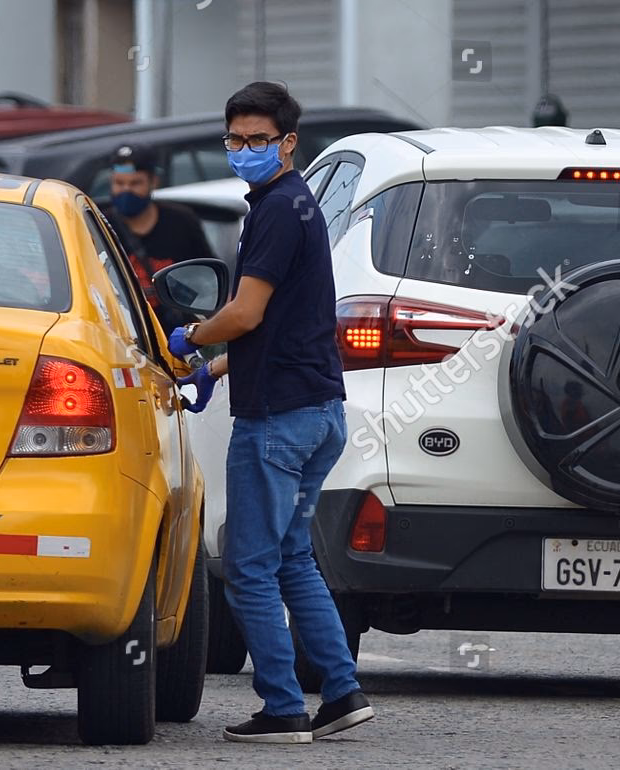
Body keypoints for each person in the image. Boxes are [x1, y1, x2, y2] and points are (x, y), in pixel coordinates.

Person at [168, 81, 373, 745]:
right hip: (318, 412)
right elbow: (281, 324)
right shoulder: (298, 205)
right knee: (291, 560)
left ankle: (283, 707)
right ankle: (341, 693)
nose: (246, 150)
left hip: (277, 420)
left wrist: (193, 337)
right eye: (236, 141)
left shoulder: (276, 209)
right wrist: (218, 367)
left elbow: (247, 313)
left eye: (259, 140)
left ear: (289, 142)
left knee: (250, 567)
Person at [101, 144, 215, 332]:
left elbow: (207, 278)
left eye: (135, 183)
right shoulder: (102, 225)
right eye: (119, 183)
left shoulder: (181, 222)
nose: (126, 191)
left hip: (177, 336)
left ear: (153, 182)